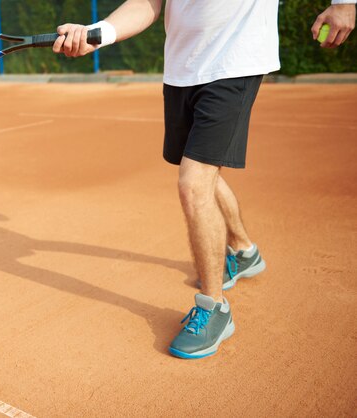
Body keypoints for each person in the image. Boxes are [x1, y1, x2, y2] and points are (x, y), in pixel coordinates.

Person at [52, 0, 356, 359]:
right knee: (198, 169)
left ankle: (215, 309)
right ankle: (244, 252)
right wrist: (97, 34)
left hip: (234, 63)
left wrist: (345, 4)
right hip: (183, 68)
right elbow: (148, 2)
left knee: (193, 184)